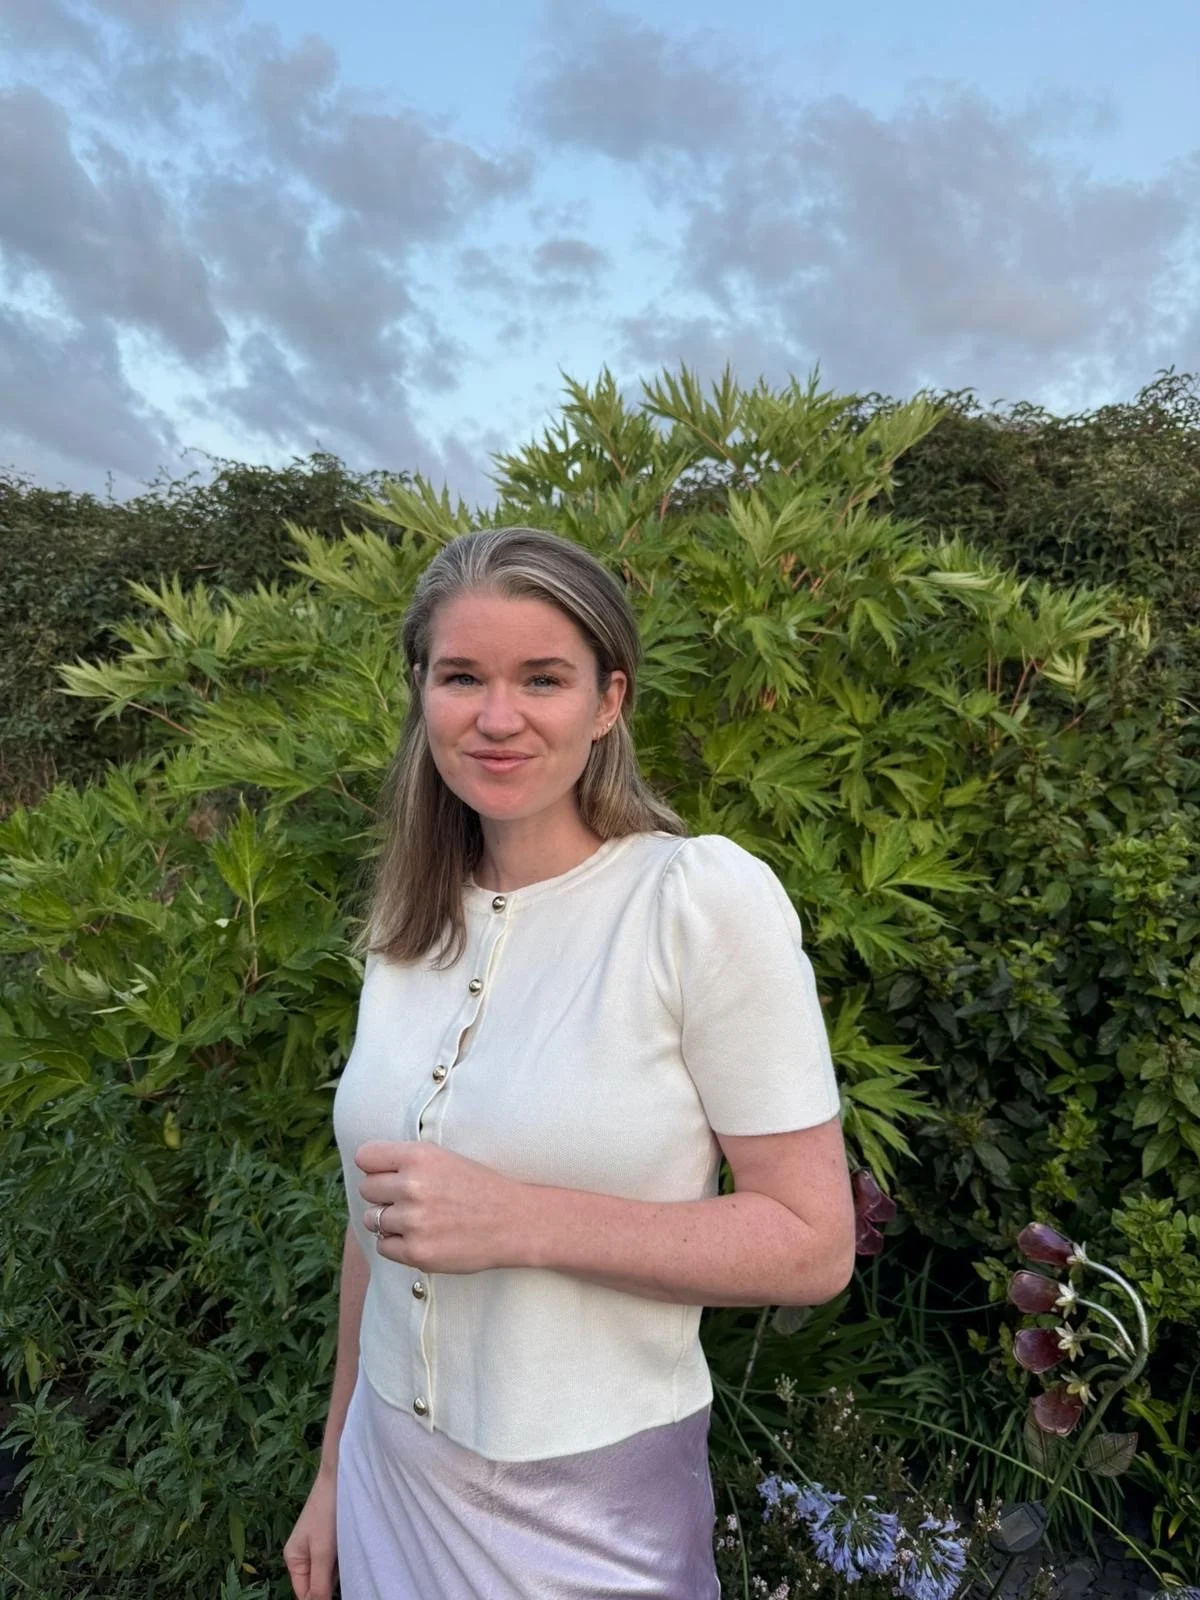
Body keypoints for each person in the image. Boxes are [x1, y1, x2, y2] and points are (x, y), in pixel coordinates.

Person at [283, 525, 857, 1600]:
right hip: (389, 1474)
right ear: (423, 695)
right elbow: (381, 1222)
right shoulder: (406, 930)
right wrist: (329, 1469)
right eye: (462, 677)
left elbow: (812, 1244)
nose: (497, 717)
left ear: (607, 701)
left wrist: (523, 1221)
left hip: (585, 1515)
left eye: (542, 678)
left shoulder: (696, 902)